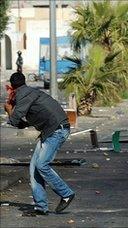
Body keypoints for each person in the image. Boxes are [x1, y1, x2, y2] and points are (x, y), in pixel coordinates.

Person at [4, 72, 75, 216]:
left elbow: (14, 120)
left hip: (56, 131)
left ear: (12, 87)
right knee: (34, 168)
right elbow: (22, 124)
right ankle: (41, 206)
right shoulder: (31, 92)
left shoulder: (22, 96)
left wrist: (9, 109)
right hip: (50, 130)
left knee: (42, 164)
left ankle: (66, 194)